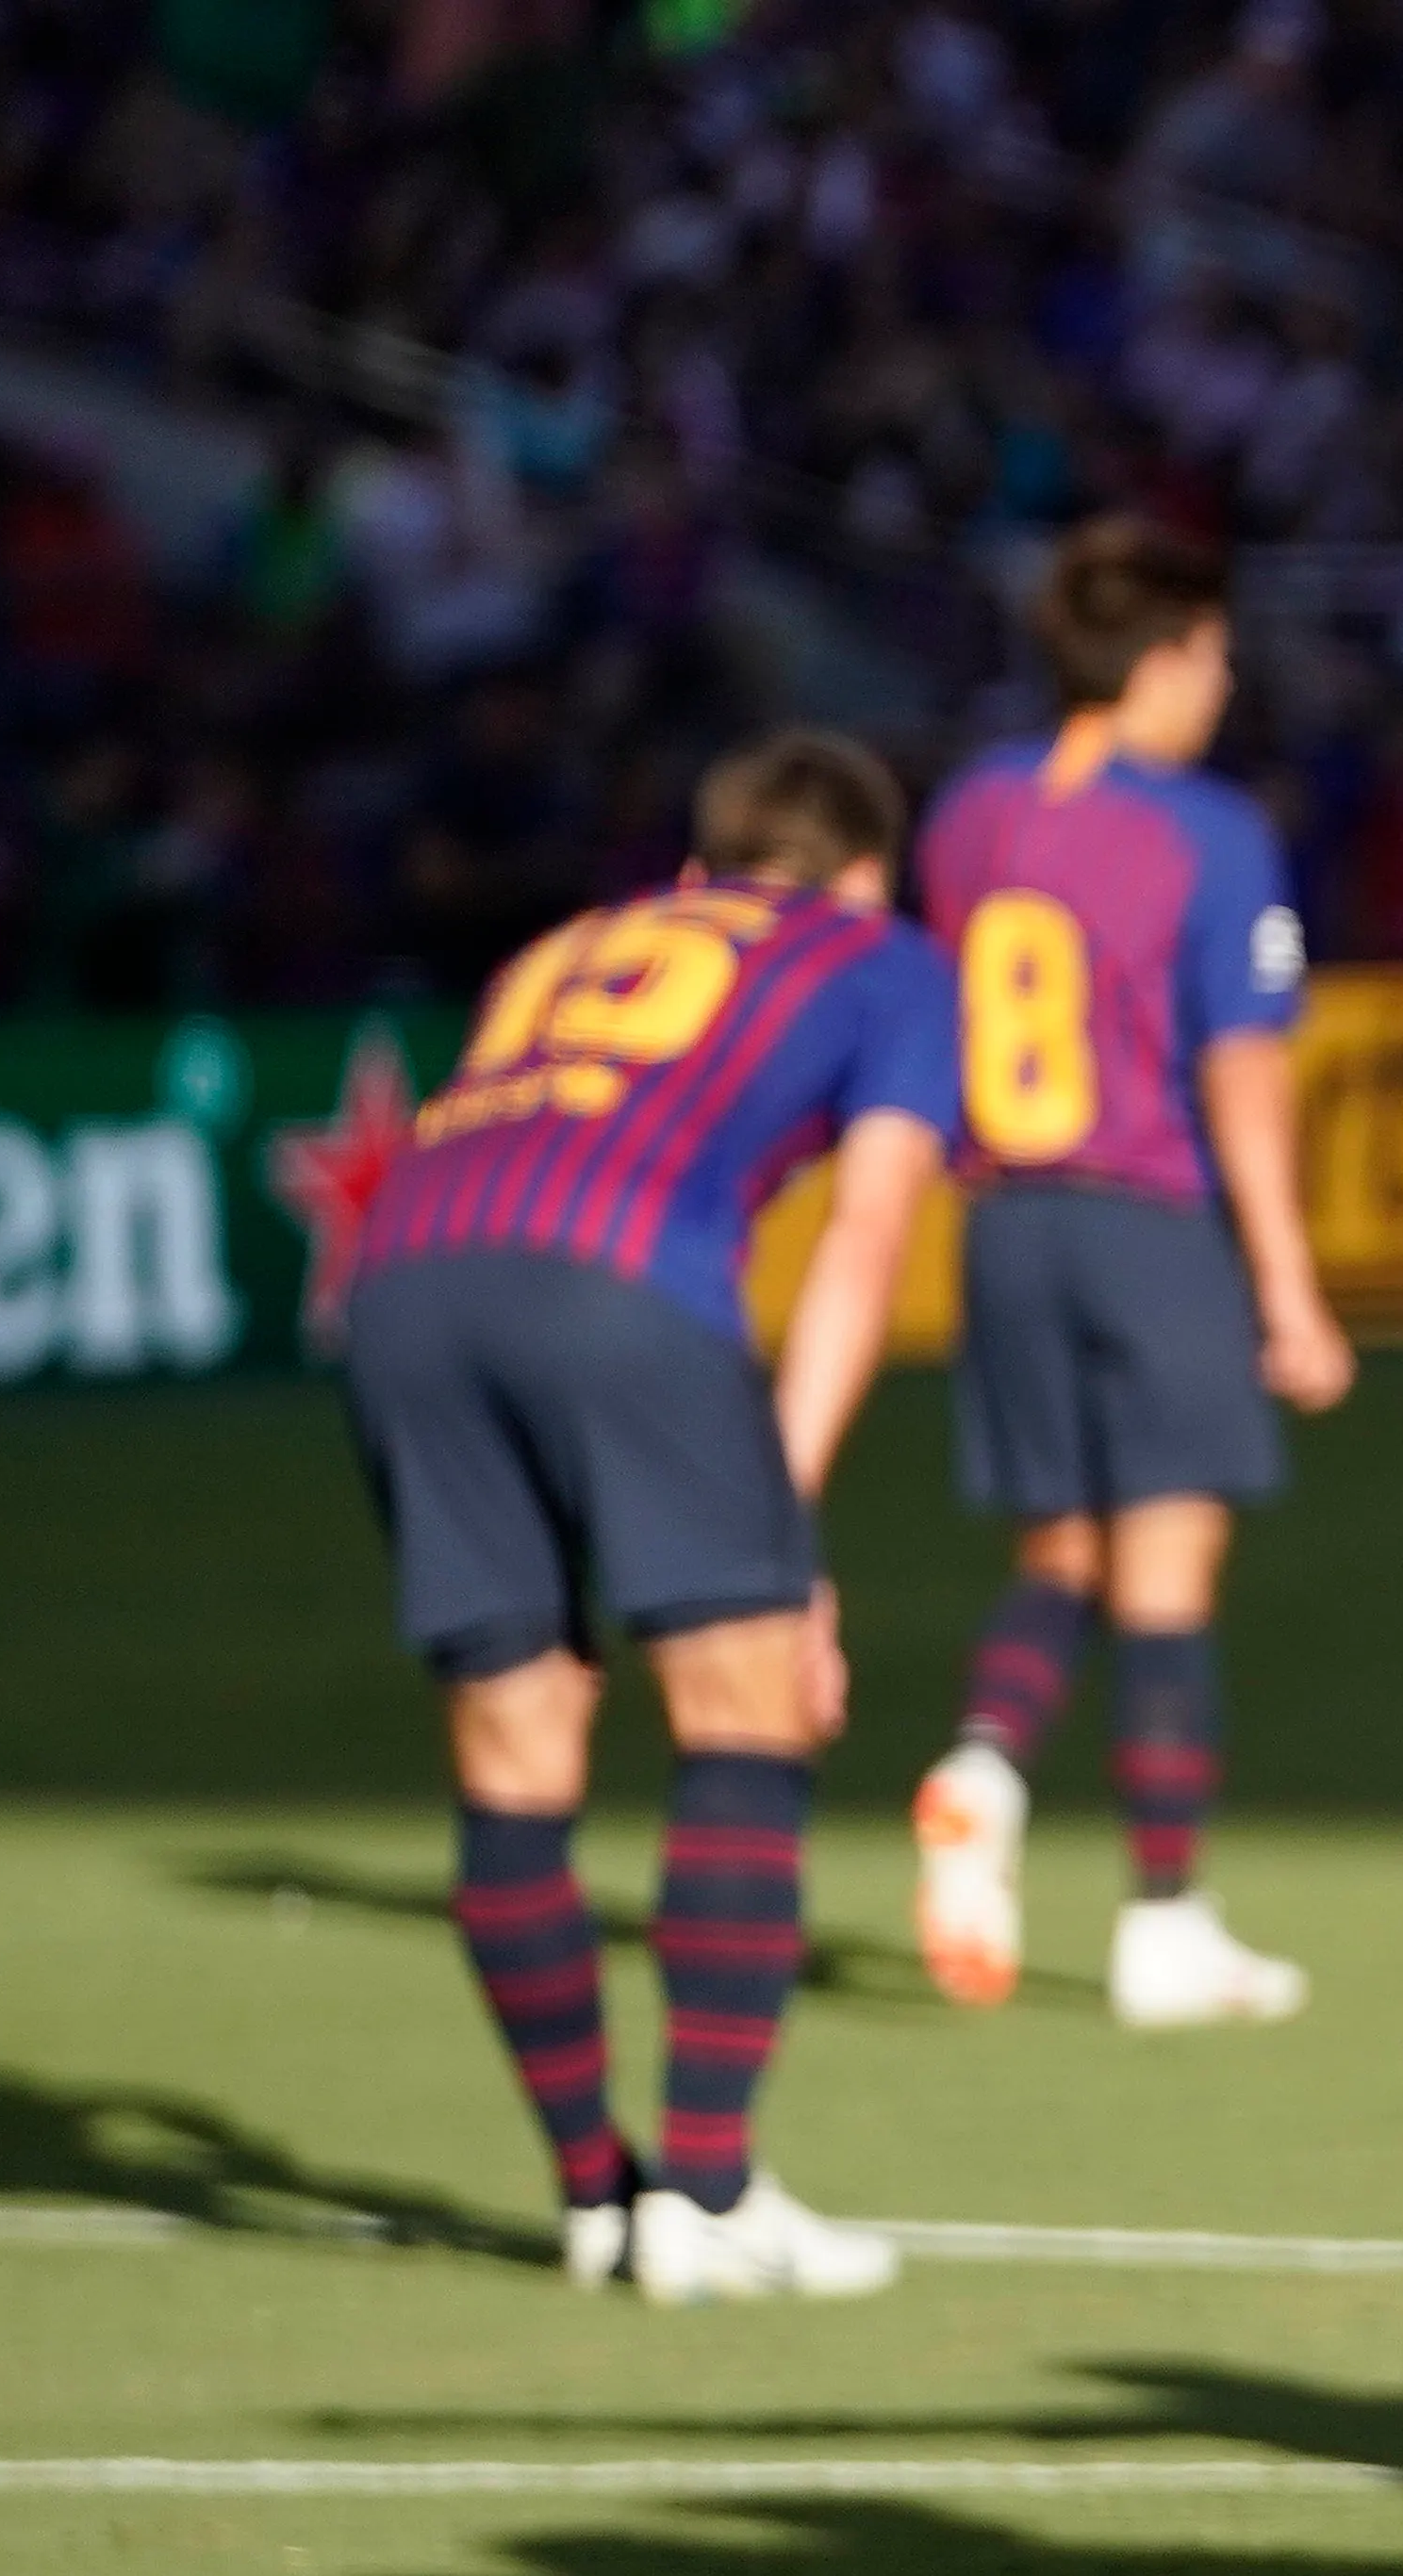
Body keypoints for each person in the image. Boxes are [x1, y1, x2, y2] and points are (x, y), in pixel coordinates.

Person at [339, 728, 958, 2305]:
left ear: (702, 867)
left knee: (516, 1743)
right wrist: (783, 1512)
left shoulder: (570, 939)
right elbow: (872, 1220)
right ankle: (709, 2185)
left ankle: (591, 2199)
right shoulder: (883, 957)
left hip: (397, 1284)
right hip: (614, 1280)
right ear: (868, 870)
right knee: (744, 1710)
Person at [904, 516, 1351, 2030]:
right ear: (1162, 655)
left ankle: (979, 1767)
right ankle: (1165, 1922)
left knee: (1060, 1558)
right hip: (1144, 1221)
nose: (1221, 682)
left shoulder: (968, 810)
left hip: (1005, 1222)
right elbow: (1240, 1076)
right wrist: (1287, 1291)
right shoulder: (1209, 833)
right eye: (1213, 653)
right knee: (1164, 1576)